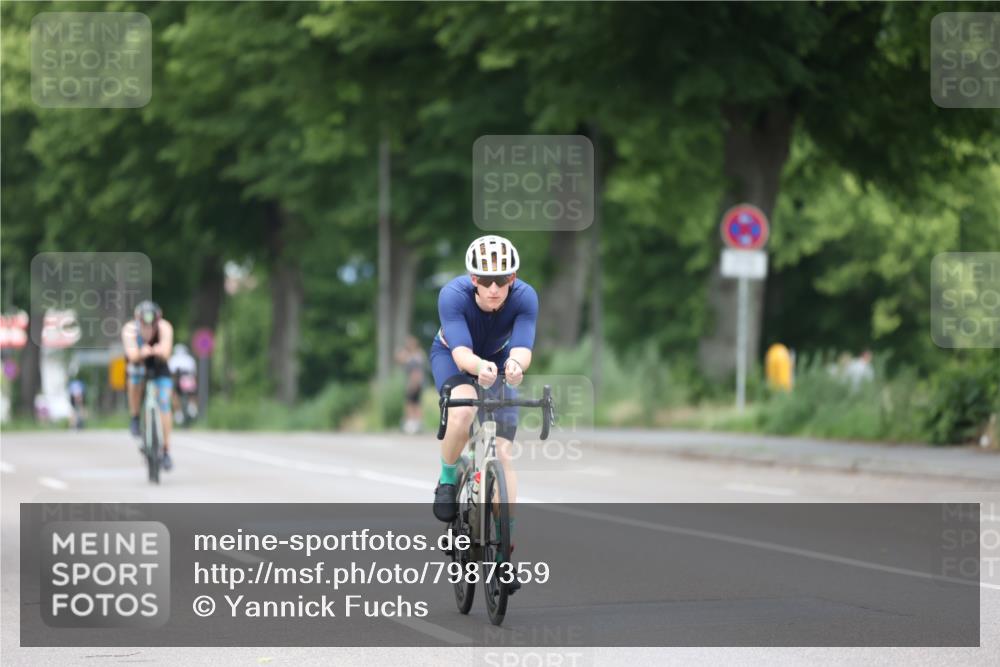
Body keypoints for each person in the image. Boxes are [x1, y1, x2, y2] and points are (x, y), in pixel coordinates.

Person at [430, 234, 538, 585]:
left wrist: (517, 367)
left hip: (497, 363)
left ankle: (505, 553)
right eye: (486, 280)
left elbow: (522, 347)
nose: (494, 288)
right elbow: (461, 354)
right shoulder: (452, 295)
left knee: (502, 455)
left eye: (502, 280)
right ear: (473, 279)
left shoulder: (525, 298)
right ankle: (448, 477)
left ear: (514, 278)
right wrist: (478, 368)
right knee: (462, 413)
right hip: (455, 358)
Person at [121, 301, 175, 471]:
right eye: (144, 324)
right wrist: (140, 352)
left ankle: (165, 450)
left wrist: (159, 350)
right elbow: (131, 354)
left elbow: (166, 352)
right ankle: (135, 416)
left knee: (164, 404)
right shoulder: (130, 329)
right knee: (134, 380)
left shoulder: (165, 327)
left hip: (159, 365)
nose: (148, 328)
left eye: (151, 325)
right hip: (139, 364)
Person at [395, 335, 427, 434]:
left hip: (415, 382)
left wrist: (414, 383)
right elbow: (398, 358)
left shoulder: (416, 356)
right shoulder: (413, 355)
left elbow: (416, 371)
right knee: (414, 403)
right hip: (415, 382)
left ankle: (414, 424)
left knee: (412, 403)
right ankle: (414, 423)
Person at [168, 343, 198, 424]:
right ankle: (192, 405)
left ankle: (178, 412)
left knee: (174, 394)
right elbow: (194, 373)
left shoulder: (173, 359)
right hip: (189, 380)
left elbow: (171, 373)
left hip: (179, 379)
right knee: (193, 392)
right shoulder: (190, 359)